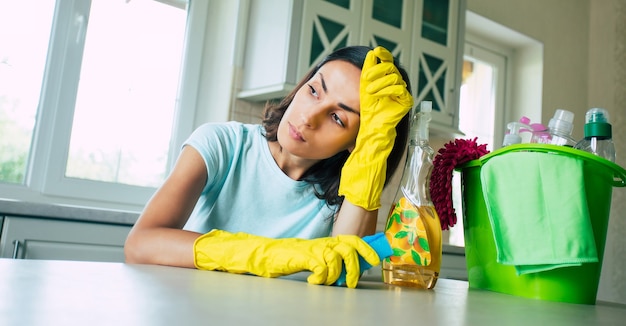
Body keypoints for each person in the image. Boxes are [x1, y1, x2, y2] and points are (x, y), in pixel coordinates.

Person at [124, 45, 414, 288]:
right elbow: (140, 243)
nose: (308, 118)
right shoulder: (223, 144)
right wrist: (268, 253)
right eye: (314, 90)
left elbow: (345, 269)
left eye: (338, 118)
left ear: (358, 141)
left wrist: (373, 152)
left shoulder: (349, 194)